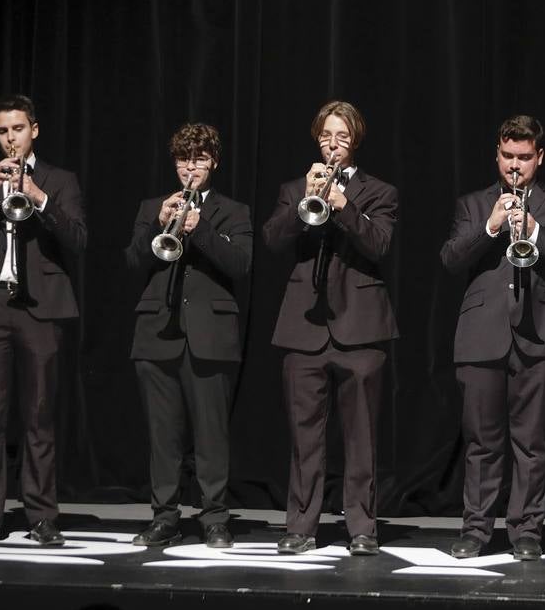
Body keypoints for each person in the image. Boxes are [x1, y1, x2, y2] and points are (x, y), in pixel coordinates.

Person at [440, 116, 545, 561]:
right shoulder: (473, 203)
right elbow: (450, 259)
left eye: (524, 158)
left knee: (532, 442)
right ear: (497, 155)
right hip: (481, 335)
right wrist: (490, 227)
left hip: (541, 335)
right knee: (481, 441)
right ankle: (476, 530)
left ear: (539, 158)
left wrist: (537, 232)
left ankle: (526, 531)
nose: (515, 166)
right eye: (508, 156)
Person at [0, 94, 87, 546]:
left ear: (34, 130)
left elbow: (79, 240)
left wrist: (40, 198)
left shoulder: (60, 180)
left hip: (40, 309)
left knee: (39, 417)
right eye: (3, 131)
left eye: (18, 129)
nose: (11, 139)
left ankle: (42, 517)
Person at [262, 101, 398, 556]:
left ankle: (362, 528)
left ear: (354, 140)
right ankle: (300, 526)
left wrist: (343, 205)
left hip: (361, 329)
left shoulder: (379, 191)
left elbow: (379, 244)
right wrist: (306, 199)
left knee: (361, 437)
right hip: (304, 327)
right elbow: (273, 240)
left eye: (341, 137)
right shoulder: (295, 189)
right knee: (305, 438)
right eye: (326, 136)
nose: (332, 144)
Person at [126, 123, 253, 549]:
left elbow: (239, 265)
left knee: (211, 434)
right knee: (163, 436)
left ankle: (215, 517)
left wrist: (198, 229)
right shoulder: (153, 206)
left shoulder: (233, 211)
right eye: (184, 159)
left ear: (213, 161)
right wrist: (158, 225)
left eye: (199, 159)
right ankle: (164, 517)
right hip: (156, 333)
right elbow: (133, 263)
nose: (190, 168)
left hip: (209, 335)